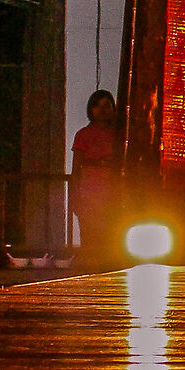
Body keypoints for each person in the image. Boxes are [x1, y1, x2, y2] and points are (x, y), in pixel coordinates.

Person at [71, 89, 122, 261]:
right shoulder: (83, 135)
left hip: (112, 192)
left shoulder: (119, 135)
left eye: (106, 106)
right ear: (91, 109)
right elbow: (76, 169)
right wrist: (74, 197)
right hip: (89, 193)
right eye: (97, 106)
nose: (102, 110)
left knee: (111, 238)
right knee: (90, 237)